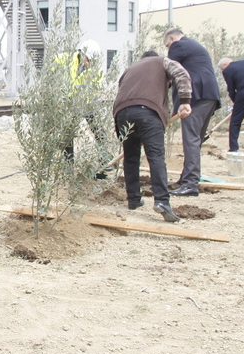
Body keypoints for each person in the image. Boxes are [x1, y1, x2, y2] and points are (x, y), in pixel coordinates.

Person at [113, 50, 192, 222]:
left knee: (131, 158)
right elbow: (182, 74)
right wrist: (185, 102)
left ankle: (133, 199)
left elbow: (122, 89)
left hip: (122, 113)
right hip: (148, 112)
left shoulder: (130, 69)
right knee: (156, 156)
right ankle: (162, 201)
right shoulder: (162, 61)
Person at [162, 28, 221, 197]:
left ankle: (190, 184)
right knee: (195, 140)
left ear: (171, 38)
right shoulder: (193, 45)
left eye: (167, 45)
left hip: (196, 96)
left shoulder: (179, 45)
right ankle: (186, 179)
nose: (168, 49)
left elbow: (168, 71)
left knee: (191, 140)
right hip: (208, 96)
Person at [55, 39, 106, 164]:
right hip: (68, 103)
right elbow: (50, 68)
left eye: (92, 61)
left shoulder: (96, 70)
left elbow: (96, 88)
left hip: (86, 103)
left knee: (99, 131)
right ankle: (69, 165)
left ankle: (104, 160)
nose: (89, 63)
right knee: (68, 134)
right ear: (82, 54)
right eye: (88, 59)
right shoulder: (66, 59)